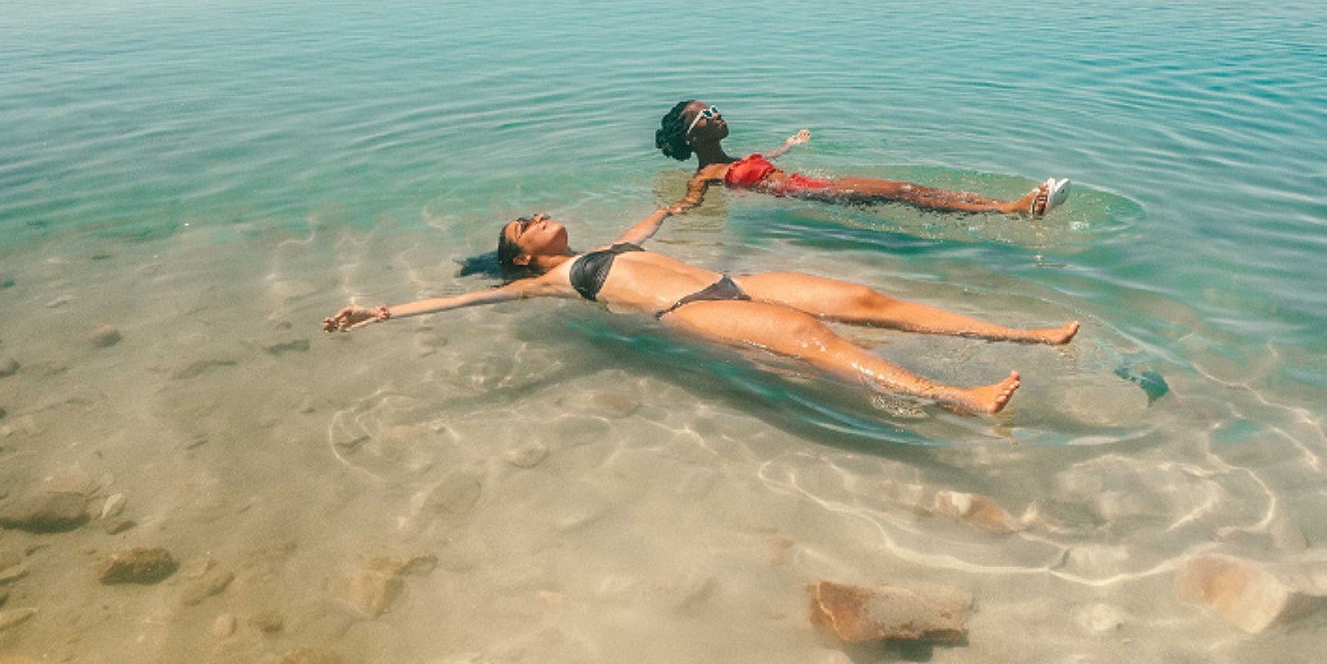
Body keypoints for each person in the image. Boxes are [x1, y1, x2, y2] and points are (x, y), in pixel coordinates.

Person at [322, 198, 1079, 416]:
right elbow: (458, 300)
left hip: (733, 277)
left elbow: (648, 226)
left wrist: (684, 201)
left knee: (864, 298)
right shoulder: (547, 280)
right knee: (813, 339)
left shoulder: (610, 244)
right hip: (692, 308)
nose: (542, 213)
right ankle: (960, 398)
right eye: (528, 223)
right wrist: (380, 312)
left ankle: (1024, 332)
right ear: (524, 254)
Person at [655, 100, 1068, 216]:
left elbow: (773, 156)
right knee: (906, 193)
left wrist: (791, 143)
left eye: (715, 110)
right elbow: (689, 203)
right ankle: (1011, 208)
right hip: (812, 196)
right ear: (693, 137)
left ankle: (1010, 206)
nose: (718, 114)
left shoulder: (739, 157)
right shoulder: (706, 173)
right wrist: (667, 214)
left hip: (818, 186)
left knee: (912, 189)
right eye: (707, 115)